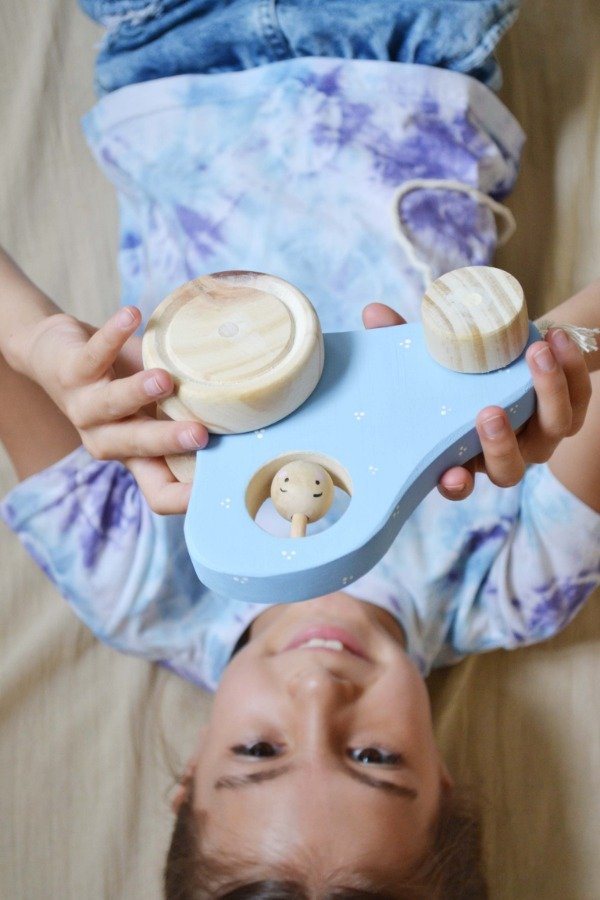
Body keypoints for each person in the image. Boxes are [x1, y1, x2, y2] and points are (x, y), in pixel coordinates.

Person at [2, 0, 600, 894]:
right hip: (413, 45)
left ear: (185, 778)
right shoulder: (514, 584)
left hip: (168, 48)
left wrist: (41, 346)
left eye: (258, 750)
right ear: (444, 781)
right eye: (373, 758)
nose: (320, 692)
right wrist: (541, 363)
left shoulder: (132, 586)